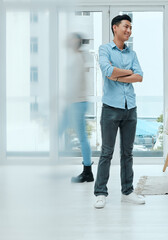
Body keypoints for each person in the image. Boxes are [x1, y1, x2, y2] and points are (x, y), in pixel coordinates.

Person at [94, 14, 145, 209]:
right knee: (107, 152)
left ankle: (128, 191)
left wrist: (119, 75)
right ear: (115, 28)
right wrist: (127, 72)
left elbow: (139, 77)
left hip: (130, 108)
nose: (128, 30)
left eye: (130, 28)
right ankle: (100, 193)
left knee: (128, 152)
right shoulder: (104, 49)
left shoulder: (132, 54)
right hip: (111, 108)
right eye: (125, 26)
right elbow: (107, 70)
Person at [59, 33, 93, 183]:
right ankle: (87, 171)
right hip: (75, 102)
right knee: (59, 131)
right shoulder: (78, 57)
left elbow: (74, 83)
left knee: (81, 137)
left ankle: (87, 171)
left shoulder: (78, 58)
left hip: (77, 102)